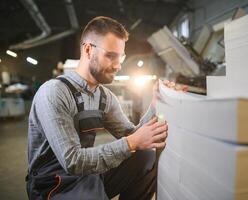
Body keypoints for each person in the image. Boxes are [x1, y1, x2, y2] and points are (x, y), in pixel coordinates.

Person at [26, 16, 168, 200]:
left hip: (87, 176)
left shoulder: (104, 97)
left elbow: (133, 135)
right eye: (110, 56)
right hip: (54, 185)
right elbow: (73, 161)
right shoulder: (54, 92)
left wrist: (156, 103)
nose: (118, 65)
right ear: (87, 49)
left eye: (121, 57)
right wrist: (132, 142)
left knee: (145, 156)